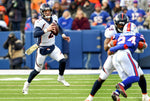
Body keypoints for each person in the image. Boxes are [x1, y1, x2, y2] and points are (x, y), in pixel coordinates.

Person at [85, 13, 150, 101]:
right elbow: (105, 48)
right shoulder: (112, 31)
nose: (122, 27)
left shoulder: (129, 31)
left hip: (122, 53)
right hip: (113, 55)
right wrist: (111, 45)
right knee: (102, 78)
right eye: (120, 24)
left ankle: (144, 96)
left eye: (124, 25)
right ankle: (90, 98)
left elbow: (139, 46)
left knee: (140, 75)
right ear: (116, 23)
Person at [22, 3, 71, 95]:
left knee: (63, 61)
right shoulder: (39, 22)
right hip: (42, 49)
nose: (48, 12)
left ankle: (60, 77)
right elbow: (35, 34)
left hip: (52, 47)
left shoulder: (55, 18)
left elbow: (58, 27)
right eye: (45, 11)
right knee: (37, 70)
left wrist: (63, 34)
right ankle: (27, 84)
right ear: (42, 12)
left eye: (49, 11)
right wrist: (46, 30)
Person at [108, 22, 148, 100]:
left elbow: (110, 44)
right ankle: (121, 85)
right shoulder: (138, 35)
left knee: (128, 82)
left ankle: (116, 93)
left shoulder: (118, 35)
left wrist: (113, 44)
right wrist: (141, 45)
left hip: (115, 57)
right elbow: (144, 45)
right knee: (136, 77)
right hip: (125, 54)